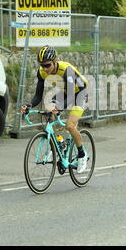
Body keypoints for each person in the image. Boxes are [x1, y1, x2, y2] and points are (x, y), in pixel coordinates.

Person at [20, 45, 89, 173]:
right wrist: (28, 105)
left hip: (79, 92)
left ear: (55, 61)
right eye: (42, 65)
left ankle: (82, 154)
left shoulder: (66, 70)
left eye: (47, 65)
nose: (45, 69)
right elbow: (37, 96)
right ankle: (58, 142)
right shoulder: (41, 72)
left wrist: (58, 107)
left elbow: (70, 96)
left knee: (70, 125)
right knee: (49, 114)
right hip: (64, 92)